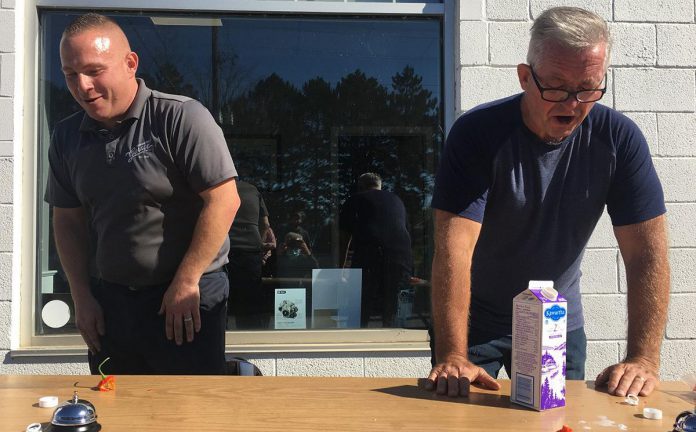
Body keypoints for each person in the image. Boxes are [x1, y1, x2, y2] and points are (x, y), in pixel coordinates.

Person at [425, 6, 670, 398]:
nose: (572, 105)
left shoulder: (619, 140)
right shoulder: (477, 134)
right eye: (555, 87)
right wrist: (453, 351)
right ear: (525, 77)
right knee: (460, 417)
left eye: (588, 88)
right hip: (474, 321)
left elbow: (646, 255)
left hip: (556, 318)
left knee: (556, 419)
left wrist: (643, 358)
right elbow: (455, 246)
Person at [45, 13, 240, 375]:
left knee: (189, 414)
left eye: (94, 70)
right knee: (116, 409)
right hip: (112, 302)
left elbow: (224, 201)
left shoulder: (181, 118)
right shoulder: (66, 136)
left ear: (130, 63)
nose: (82, 86)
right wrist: (82, 295)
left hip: (186, 297)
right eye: (70, 74)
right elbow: (67, 220)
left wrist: (186, 281)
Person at [339, 173, 413, 327]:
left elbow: (344, 238)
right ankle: (392, 335)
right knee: (392, 301)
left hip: (370, 254)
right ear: (380, 186)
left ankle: (360, 334)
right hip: (401, 256)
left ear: (361, 187)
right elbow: (406, 232)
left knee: (362, 299)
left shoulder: (356, 199)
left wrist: (340, 268)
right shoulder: (397, 201)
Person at [227, 179, 271, 329]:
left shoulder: (218, 188)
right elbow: (266, 224)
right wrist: (261, 245)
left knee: (225, 297)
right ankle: (249, 334)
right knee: (249, 300)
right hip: (251, 249)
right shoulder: (253, 190)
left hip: (225, 248)